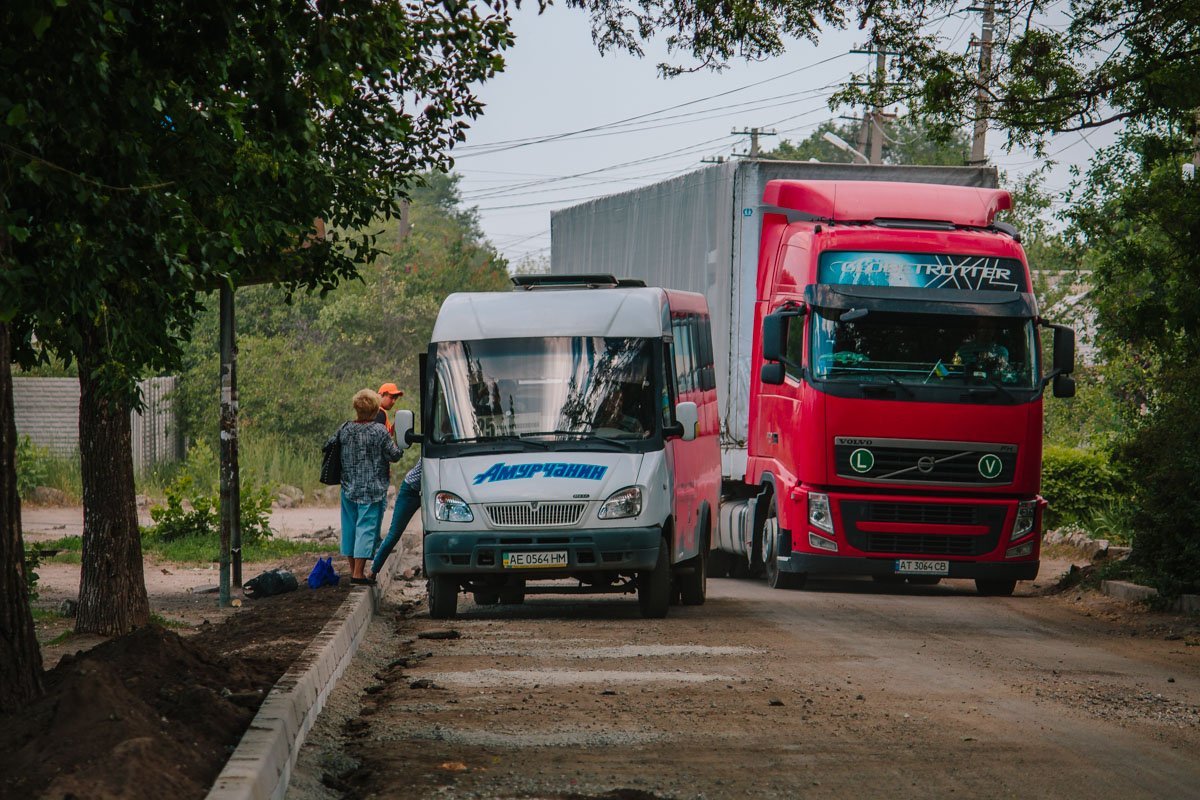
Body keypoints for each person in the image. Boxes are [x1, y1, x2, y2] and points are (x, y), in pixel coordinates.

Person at [328, 389, 402, 585]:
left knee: (350, 528)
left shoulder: (345, 428)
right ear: (375, 409)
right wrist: (398, 443)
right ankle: (358, 574)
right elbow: (394, 455)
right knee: (366, 529)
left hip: (348, 487)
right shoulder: (379, 431)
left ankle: (354, 570)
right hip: (372, 489)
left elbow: (330, 445)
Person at [368, 459, 422, 581]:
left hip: (432, 492)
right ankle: (373, 571)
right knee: (395, 533)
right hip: (411, 491)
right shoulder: (434, 451)